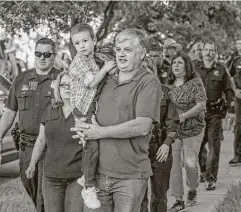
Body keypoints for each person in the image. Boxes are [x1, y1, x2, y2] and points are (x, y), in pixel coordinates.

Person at [71, 28, 162, 212]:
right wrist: (83, 129)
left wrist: (99, 132)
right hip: (98, 174)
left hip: (130, 176)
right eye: (118, 49)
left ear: (142, 53)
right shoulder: (106, 78)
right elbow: (85, 103)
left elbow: (143, 126)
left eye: (127, 50)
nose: (121, 54)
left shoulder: (148, 82)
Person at [0, 38, 60, 212]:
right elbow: (9, 113)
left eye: (47, 54)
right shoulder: (21, 80)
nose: (42, 58)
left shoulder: (62, 80)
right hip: (26, 148)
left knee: (45, 195)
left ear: (54, 56)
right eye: (38, 53)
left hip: (51, 148)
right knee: (32, 189)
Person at [68, 23, 117, 209]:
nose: (81, 46)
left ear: (94, 40)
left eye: (85, 41)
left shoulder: (91, 59)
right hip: (83, 108)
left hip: (90, 107)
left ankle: (85, 176)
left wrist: (107, 68)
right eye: (77, 43)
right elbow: (91, 83)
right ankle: (88, 186)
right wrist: (105, 69)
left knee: (95, 144)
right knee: (92, 145)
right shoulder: (80, 61)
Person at [25, 72, 84, 212]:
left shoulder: (84, 112)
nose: (67, 88)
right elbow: (41, 139)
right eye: (63, 85)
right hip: (51, 178)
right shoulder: (50, 110)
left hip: (76, 177)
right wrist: (32, 164)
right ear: (58, 88)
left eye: (71, 84)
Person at [140, 44, 180, 212]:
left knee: (159, 194)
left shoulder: (166, 92)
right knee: (139, 194)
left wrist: (167, 143)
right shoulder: (132, 93)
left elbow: (174, 121)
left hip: (160, 147)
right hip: (138, 147)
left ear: (154, 72)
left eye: (147, 70)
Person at [167, 52, 207, 212]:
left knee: (190, 163)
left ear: (187, 65)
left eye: (179, 62)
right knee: (174, 165)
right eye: (174, 63)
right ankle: (178, 200)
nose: (176, 65)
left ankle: (192, 188)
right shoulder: (168, 85)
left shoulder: (195, 82)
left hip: (194, 128)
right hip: (175, 130)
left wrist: (184, 115)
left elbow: (202, 104)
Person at [195, 40, 234, 190]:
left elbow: (229, 91)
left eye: (212, 50)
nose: (209, 52)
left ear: (215, 52)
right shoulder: (194, 68)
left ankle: (211, 178)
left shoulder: (221, 69)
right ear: (202, 51)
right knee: (197, 146)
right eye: (206, 50)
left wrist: (230, 111)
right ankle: (204, 171)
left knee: (213, 145)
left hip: (214, 113)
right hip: (197, 114)